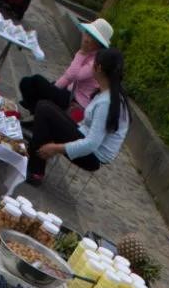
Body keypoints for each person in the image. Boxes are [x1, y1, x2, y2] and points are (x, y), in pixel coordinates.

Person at [25, 47, 130, 185]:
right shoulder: (108, 93)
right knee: (47, 108)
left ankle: (35, 171)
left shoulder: (107, 102)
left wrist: (56, 148)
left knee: (44, 109)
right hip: (83, 137)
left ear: (98, 68)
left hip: (92, 156)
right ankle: (33, 156)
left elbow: (91, 144)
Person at [19, 18, 113, 122]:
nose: (86, 38)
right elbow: (67, 78)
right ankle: (34, 110)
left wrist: (82, 53)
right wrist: (53, 88)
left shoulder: (96, 61)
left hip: (77, 101)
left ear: (99, 44)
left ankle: (35, 113)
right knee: (27, 82)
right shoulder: (89, 53)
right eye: (87, 33)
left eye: (92, 37)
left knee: (37, 80)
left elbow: (73, 75)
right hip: (69, 92)